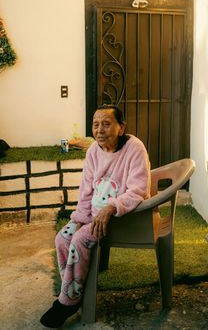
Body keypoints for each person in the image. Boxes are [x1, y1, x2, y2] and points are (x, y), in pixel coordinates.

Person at [40, 104, 151, 328]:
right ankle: (70, 290)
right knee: (63, 238)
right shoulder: (93, 151)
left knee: (80, 239)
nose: (99, 130)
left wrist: (110, 208)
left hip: (123, 216)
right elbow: (86, 190)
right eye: (95, 124)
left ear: (121, 128)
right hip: (94, 215)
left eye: (107, 124)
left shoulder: (134, 148)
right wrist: (79, 217)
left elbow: (138, 190)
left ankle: (68, 302)